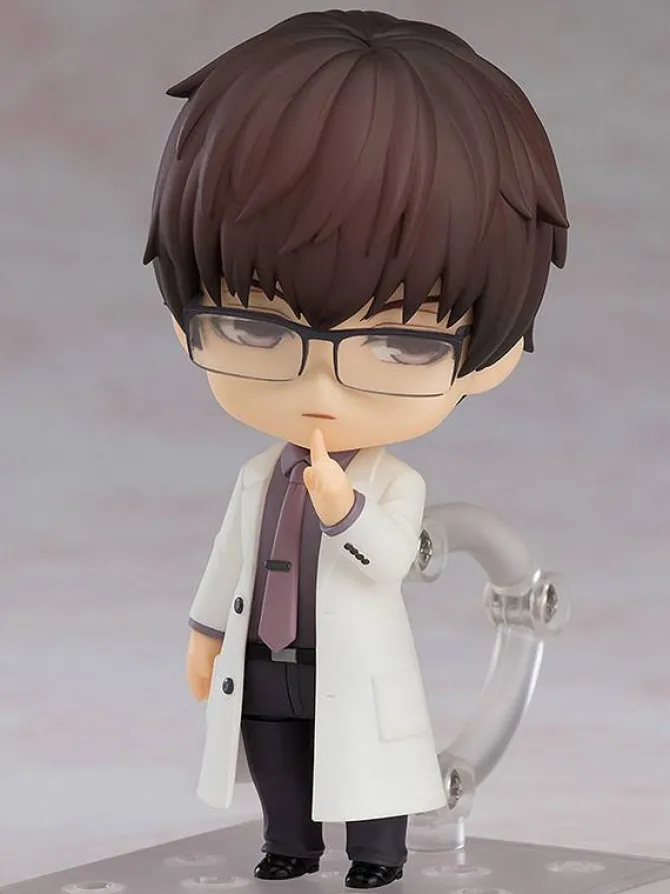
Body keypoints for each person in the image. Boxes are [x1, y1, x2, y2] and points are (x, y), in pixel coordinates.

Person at [143, 9, 568, 889]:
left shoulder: (393, 481)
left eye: (399, 345)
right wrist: (206, 631)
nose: (321, 388)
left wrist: (346, 512)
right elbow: (229, 559)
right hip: (267, 660)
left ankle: (377, 855)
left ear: (490, 358)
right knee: (277, 754)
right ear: (185, 322)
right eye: (254, 327)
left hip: (353, 664)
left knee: (370, 767)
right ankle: (289, 843)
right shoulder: (259, 476)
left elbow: (391, 560)